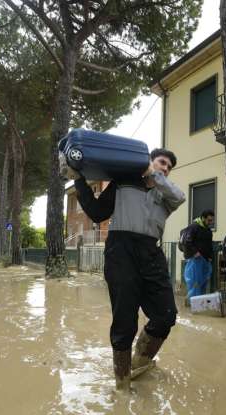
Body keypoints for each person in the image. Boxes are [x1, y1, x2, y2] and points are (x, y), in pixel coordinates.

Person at [67, 148, 186, 391]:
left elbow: (180, 196)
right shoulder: (123, 183)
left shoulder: (167, 195)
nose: (165, 168)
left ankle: (138, 362)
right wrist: (78, 181)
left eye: (169, 167)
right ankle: (122, 383)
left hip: (151, 253)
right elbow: (98, 211)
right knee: (124, 320)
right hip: (121, 252)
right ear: (149, 161)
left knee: (166, 316)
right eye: (161, 162)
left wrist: (156, 176)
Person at [182, 209, 215, 298]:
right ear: (203, 218)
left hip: (204, 260)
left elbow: (209, 245)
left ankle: (200, 303)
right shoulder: (194, 227)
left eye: (212, 220)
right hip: (195, 259)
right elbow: (187, 241)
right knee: (194, 282)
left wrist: (210, 256)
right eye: (209, 220)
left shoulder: (208, 231)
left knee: (203, 282)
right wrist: (195, 252)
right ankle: (193, 303)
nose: (210, 222)